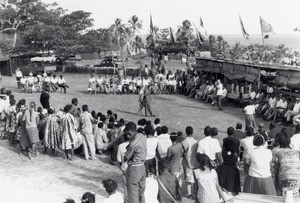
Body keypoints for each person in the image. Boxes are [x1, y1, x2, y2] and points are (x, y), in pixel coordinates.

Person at [124, 122, 147, 203]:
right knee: (141, 192)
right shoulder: (142, 136)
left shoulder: (133, 144)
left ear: (132, 131)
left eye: (128, 133)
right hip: (143, 167)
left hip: (134, 169)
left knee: (133, 194)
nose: (127, 135)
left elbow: (126, 157)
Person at [181, 126, 199, 198]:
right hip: (195, 163)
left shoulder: (184, 142)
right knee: (195, 178)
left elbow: (182, 152)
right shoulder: (196, 141)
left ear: (186, 132)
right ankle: (195, 193)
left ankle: (189, 193)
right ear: (192, 132)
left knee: (188, 179)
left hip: (187, 162)